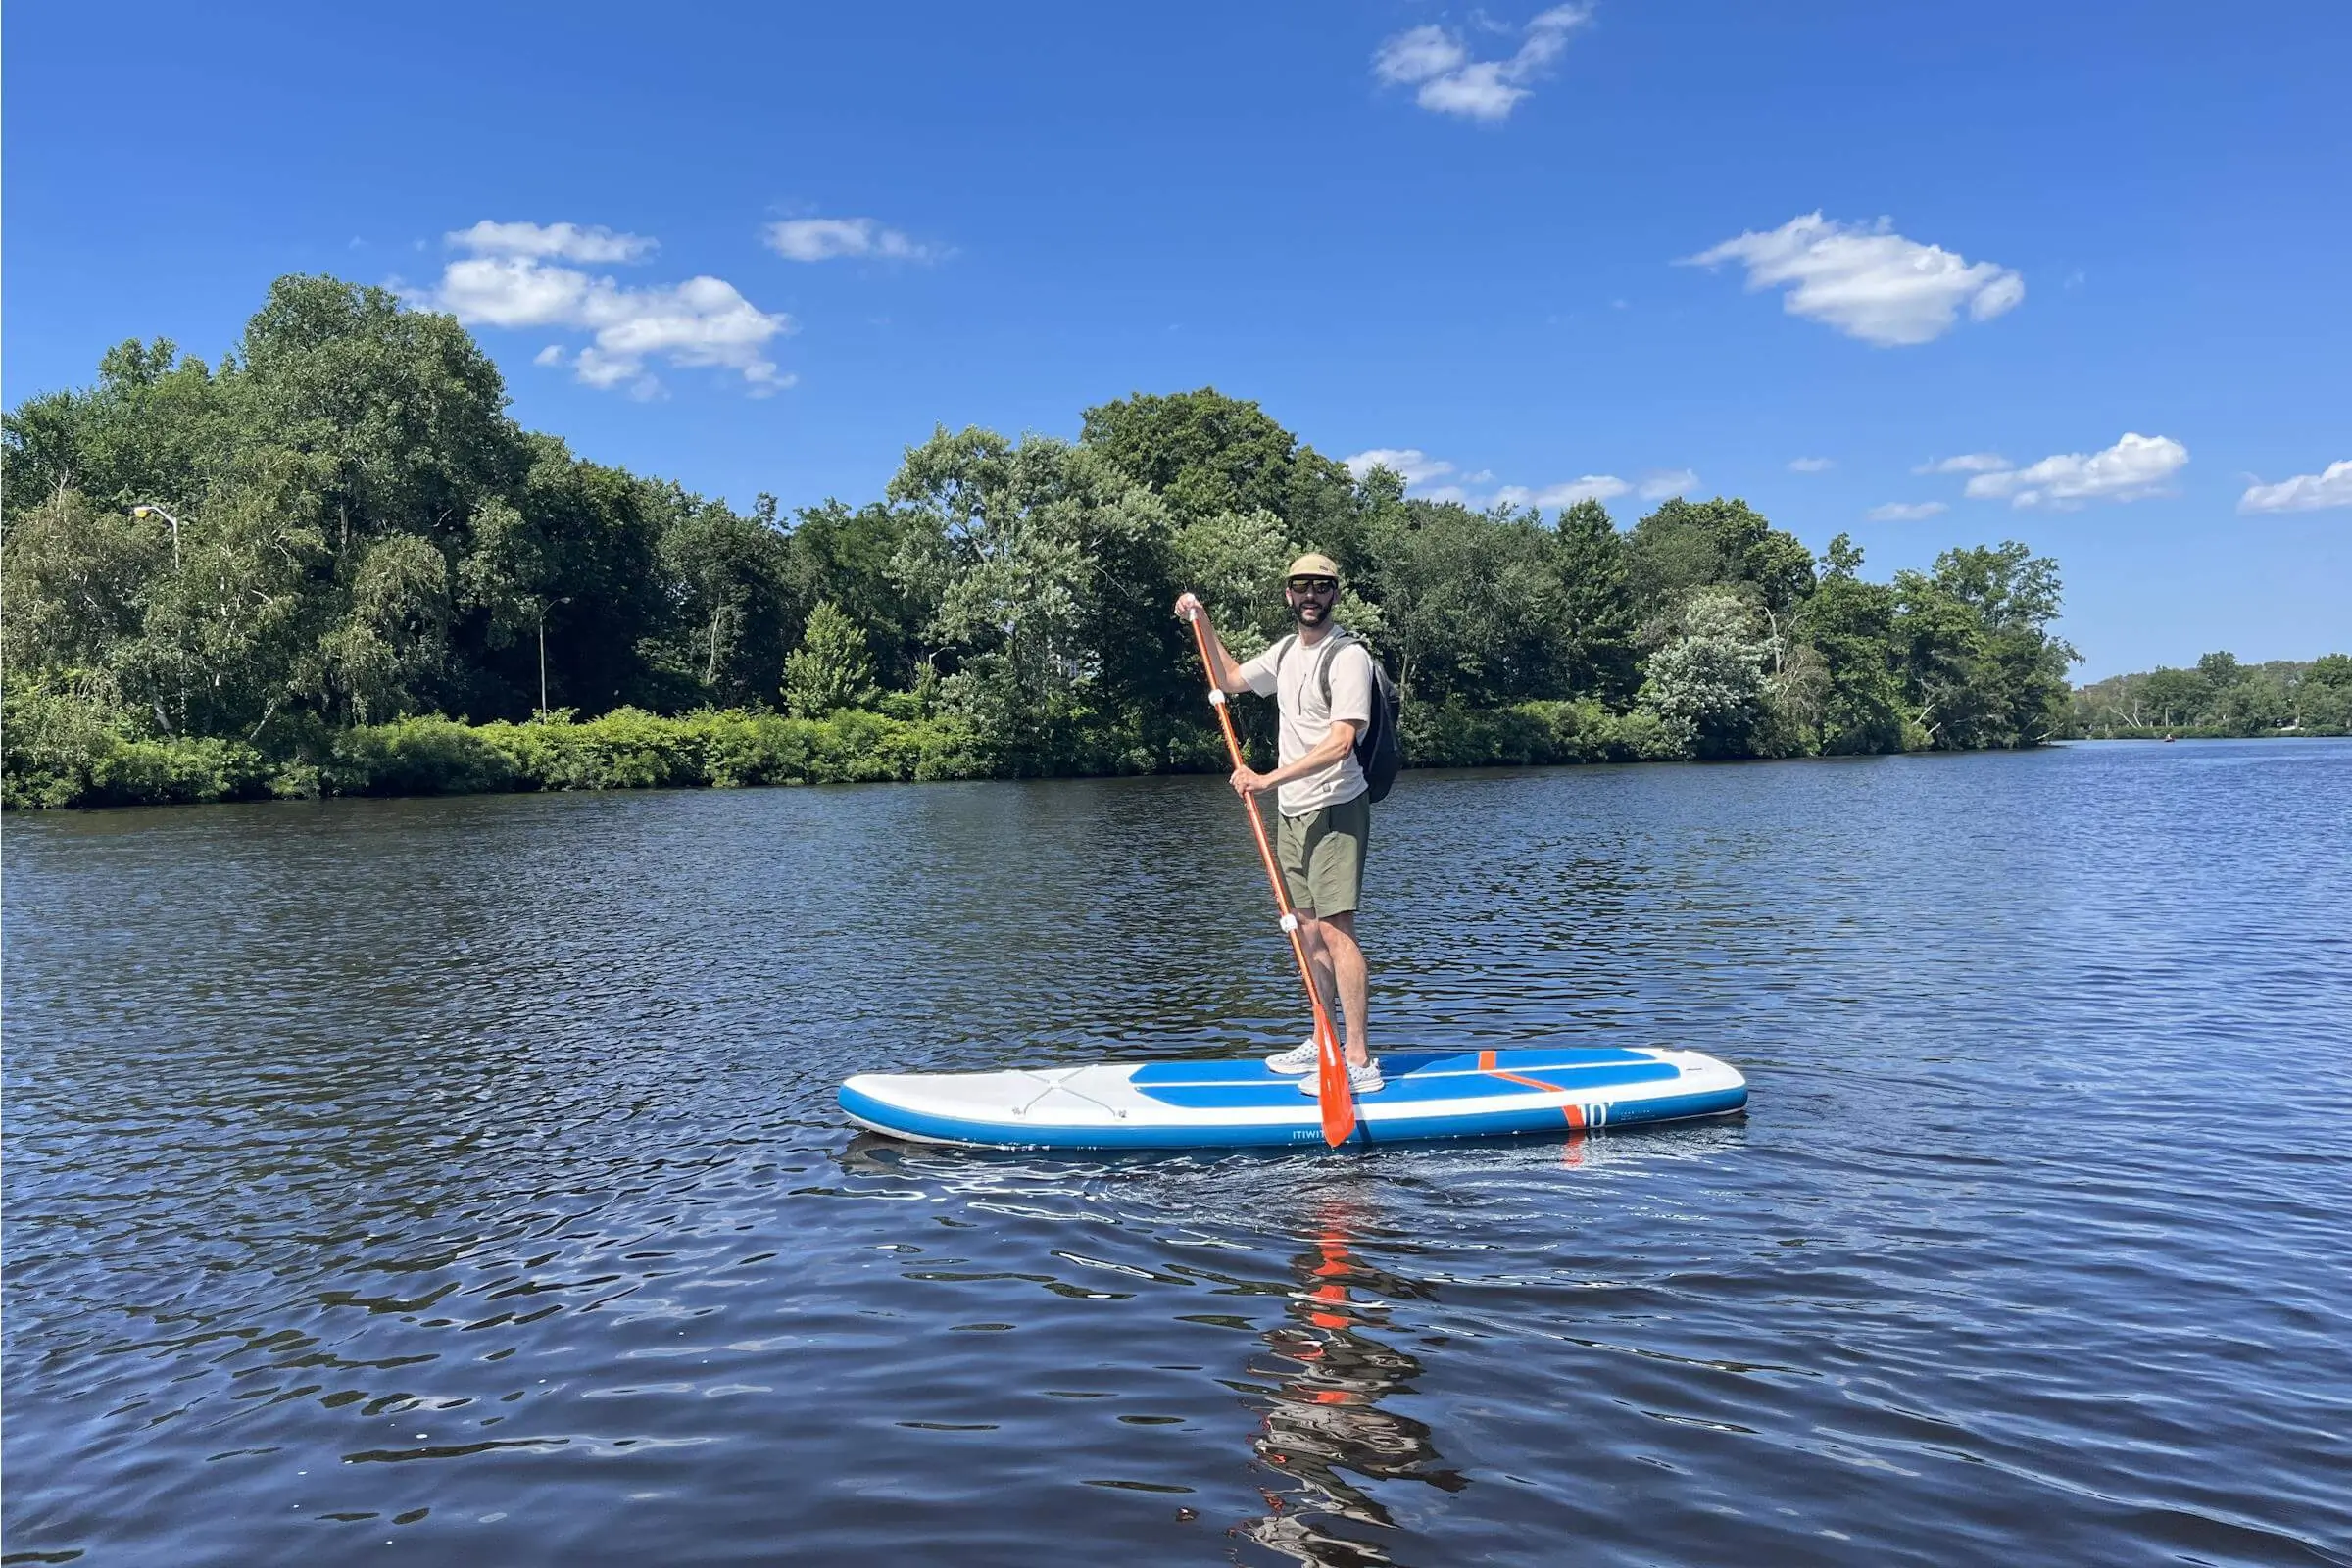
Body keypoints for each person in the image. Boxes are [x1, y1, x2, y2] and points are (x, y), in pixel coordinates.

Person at [1175, 554, 1383, 1096]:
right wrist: (1202, 618)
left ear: (1335, 594)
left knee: (1336, 930)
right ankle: (1323, 1039)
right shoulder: (1287, 651)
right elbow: (1228, 677)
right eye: (1301, 586)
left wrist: (1268, 779)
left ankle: (1359, 1058)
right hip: (1292, 810)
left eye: (1321, 587)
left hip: (1335, 806)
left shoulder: (1348, 657)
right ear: (1289, 594)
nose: (1311, 595)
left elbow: (1342, 742)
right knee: (1306, 929)